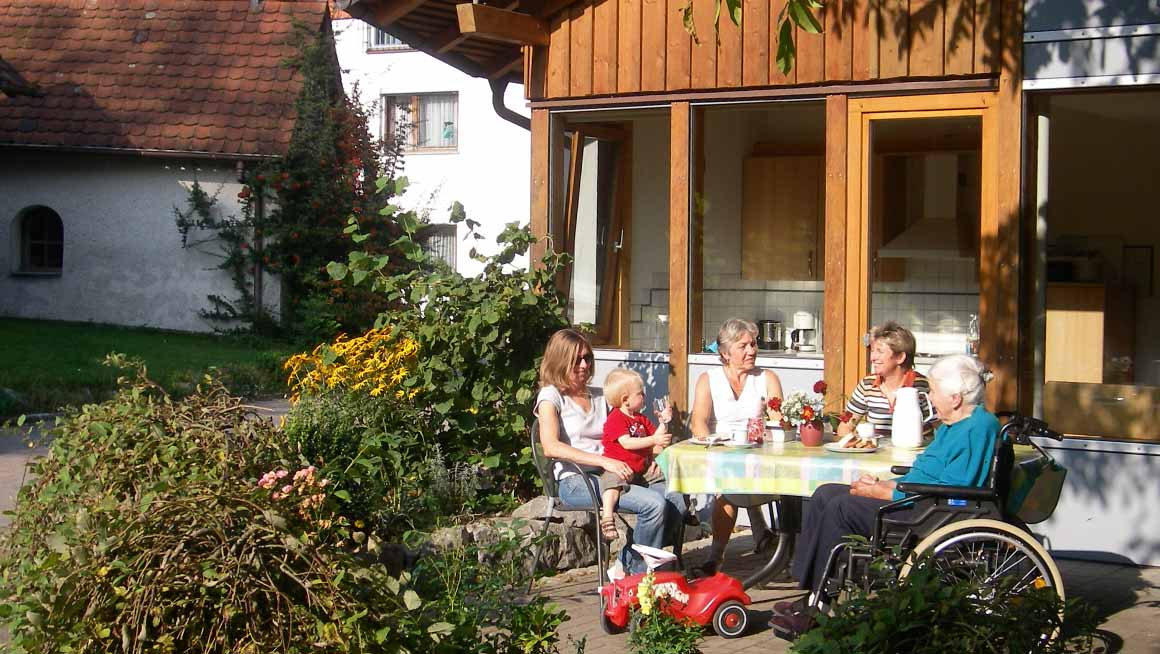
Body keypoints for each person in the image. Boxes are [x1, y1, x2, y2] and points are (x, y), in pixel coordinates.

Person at [771, 354, 1000, 640]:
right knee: (825, 493)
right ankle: (809, 592)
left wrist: (888, 491)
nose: (929, 397)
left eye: (932, 391)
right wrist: (883, 483)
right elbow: (924, 474)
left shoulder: (976, 428)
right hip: (917, 498)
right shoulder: (954, 425)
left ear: (954, 398)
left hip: (932, 514)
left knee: (841, 508)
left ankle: (819, 607)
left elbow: (951, 489)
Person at [533, 328, 686, 575]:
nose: (584, 365)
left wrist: (651, 456)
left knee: (675, 497)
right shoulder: (551, 397)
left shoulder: (600, 396)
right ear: (560, 361)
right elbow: (551, 447)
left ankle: (627, 564)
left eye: (587, 358)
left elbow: (631, 432)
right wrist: (605, 461)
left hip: (619, 472)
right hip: (575, 480)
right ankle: (638, 579)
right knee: (654, 505)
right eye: (576, 360)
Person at [689, 318, 784, 574]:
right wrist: (709, 444)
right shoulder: (708, 379)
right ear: (725, 352)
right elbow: (698, 420)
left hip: (758, 453)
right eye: (743, 346)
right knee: (729, 479)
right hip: (721, 453)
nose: (752, 351)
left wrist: (775, 422)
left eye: (753, 344)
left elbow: (778, 420)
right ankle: (754, 535)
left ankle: (716, 556)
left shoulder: (767, 378)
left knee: (738, 478)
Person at [597, 368, 673, 542]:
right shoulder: (616, 418)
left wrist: (664, 422)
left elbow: (657, 438)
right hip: (619, 466)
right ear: (625, 400)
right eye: (640, 394)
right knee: (611, 483)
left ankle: (685, 509)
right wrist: (654, 439)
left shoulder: (640, 419)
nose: (644, 397)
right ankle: (607, 516)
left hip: (640, 469)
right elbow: (627, 442)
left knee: (666, 474)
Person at [837, 321, 934, 441]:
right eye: (872, 351)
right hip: (876, 457)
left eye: (880, 352)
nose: (872, 358)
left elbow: (941, 427)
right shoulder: (867, 385)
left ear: (900, 357)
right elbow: (845, 427)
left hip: (915, 456)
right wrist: (858, 446)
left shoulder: (922, 386)